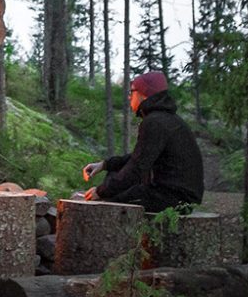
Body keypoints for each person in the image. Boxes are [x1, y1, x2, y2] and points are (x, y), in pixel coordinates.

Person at [80, 71, 203, 214]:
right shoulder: (165, 119)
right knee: (113, 176)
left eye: (132, 92)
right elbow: (139, 156)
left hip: (175, 199)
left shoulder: (155, 122)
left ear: (144, 94)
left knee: (110, 200)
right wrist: (105, 165)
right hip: (178, 195)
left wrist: (101, 192)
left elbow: (137, 167)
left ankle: (119, 235)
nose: (129, 96)